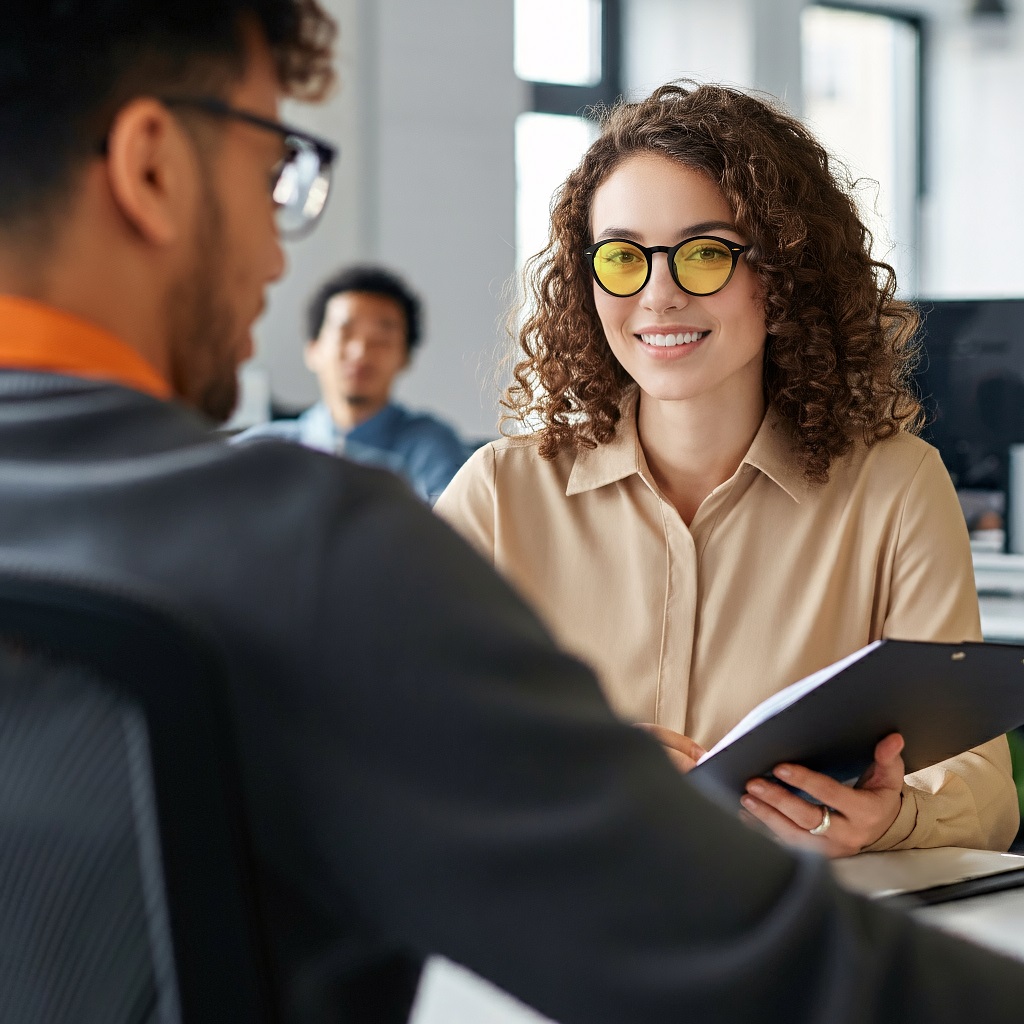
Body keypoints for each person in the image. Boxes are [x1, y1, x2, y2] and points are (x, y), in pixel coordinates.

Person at [2, 5, 1024, 1023]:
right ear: (150, 168)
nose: (279, 258)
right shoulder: (306, 549)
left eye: (703, 254)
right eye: (273, 169)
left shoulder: (290, 547)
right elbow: (757, 960)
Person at [436, 82, 1019, 859]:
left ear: (783, 276)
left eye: (705, 253)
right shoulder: (501, 495)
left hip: (794, 939)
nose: (659, 293)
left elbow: (983, 791)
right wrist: (560, 770)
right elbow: (389, 743)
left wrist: (891, 817)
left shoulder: (894, 487)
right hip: (556, 933)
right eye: (621, 257)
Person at [238, 265, 468, 503]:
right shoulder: (263, 450)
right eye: (344, 334)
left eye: (381, 340)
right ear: (313, 350)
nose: (360, 353)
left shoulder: (431, 448)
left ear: (405, 358)